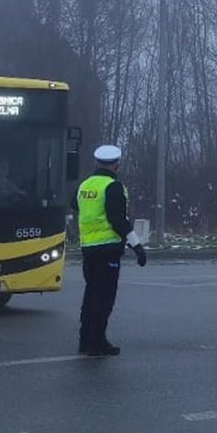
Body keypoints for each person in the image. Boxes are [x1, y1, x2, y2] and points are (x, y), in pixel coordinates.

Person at [71, 144, 147, 357]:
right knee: (104, 298)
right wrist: (137, 246)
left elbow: (74, 204)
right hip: (108, 250)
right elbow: (118, 220)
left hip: (88, 248)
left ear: (96, 163)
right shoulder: (113, 187)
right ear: (116, 165)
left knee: (90, 294)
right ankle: (97, 342)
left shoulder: (84, 185)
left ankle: (85, 340)